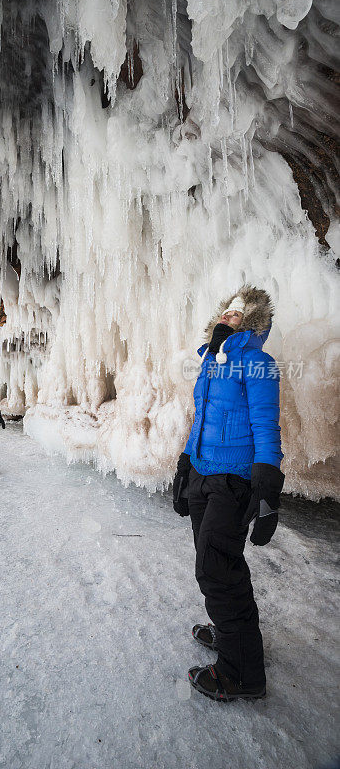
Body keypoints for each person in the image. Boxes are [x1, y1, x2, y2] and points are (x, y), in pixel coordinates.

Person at [173, 285, 284, 702]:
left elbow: (266, 425)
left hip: (233, 479)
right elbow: (202, 420)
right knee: (220, 561)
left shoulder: (257, 362)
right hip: (203, 473)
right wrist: (185, 465)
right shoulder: (208, 364)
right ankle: (234, 637)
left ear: (253, 323)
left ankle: (242, 675)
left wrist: (268, 484)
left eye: (239, 313)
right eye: (226, 311)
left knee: (215, 568)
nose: (229, 315)